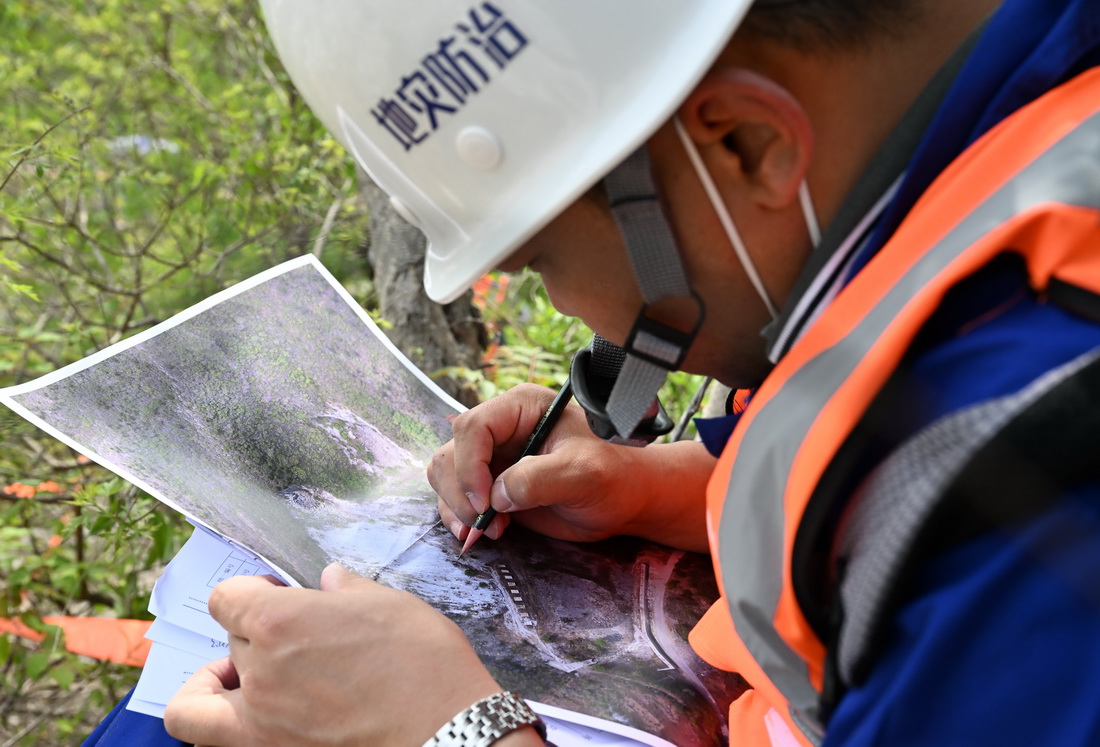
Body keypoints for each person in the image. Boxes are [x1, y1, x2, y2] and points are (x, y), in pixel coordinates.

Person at [93, 0, 1100, 744]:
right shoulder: (999, 158)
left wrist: (458, 731)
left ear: (744, 145)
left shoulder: (1040, 496)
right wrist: (678, 493)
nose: (573, 312)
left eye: (542, 261)